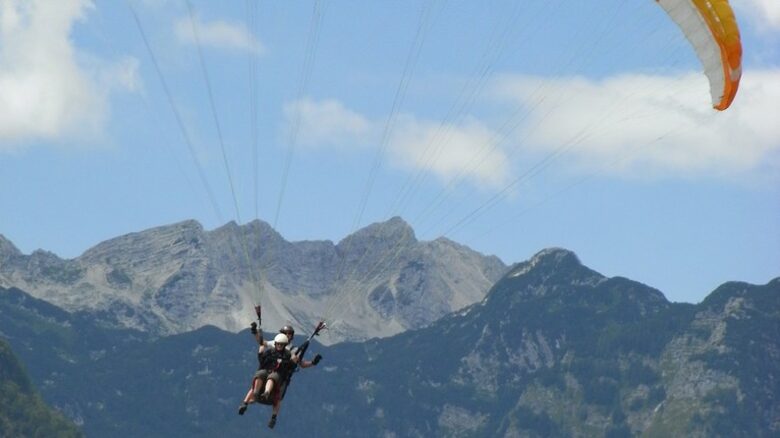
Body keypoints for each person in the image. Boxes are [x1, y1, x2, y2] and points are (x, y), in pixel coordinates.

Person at [238, 323, 322, 429]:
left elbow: (301, 363)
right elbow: (261, 342)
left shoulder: (293, 350)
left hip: (282, 374)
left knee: (278, 397)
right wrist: (255, 332)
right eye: (285, 333)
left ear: (292, 336)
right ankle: (245, 403)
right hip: (268, 369)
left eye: (289, 334)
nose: (287, 335)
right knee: (258, 379)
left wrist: (313, 363)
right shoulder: (275, 343)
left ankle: (273, 417)